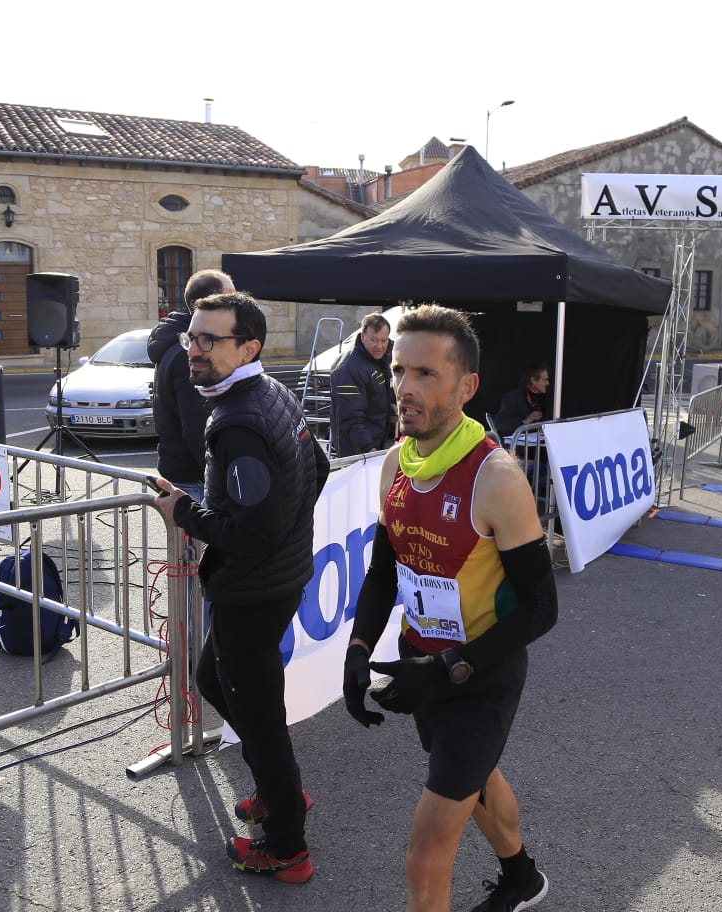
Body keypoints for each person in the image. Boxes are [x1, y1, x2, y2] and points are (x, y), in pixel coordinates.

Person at [342, 304, 558, 912]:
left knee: (427, 851)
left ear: (467, 387)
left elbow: (540, 609)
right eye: (399, 371)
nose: (405, 389)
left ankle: (519, 878)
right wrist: (358, 653)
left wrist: (448, 669)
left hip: (479, 674)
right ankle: (522, 879)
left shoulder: (496, 477)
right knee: (478, 781)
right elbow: (387, 572)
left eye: (426, 375)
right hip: (422, 664)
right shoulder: (396, 464)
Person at [152, 292, 330, 884]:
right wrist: (285, 530)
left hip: (253, 590)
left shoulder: (239, 421)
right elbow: (319, 468)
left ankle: (287, 846)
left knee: (262, 721)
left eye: (210, 341)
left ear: (248, 347)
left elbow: (248, 534)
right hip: (270, 580)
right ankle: (282, 795)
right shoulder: (268, 390)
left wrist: (182, 512)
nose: (194, 351)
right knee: (211, 681)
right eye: (191, 338)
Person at [147, 269, 235, 501]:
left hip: (188, 476)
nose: (238, 305)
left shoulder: (186, 343)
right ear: (210, 304)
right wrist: (219, 478)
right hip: (195, 480)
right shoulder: (190, 353)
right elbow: (198, 428)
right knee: (196, 538)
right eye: (231, 298)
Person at [330, 312, 394, 457]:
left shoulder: (379, 357)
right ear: (362, 337)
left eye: (384, 340)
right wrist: (369, 449)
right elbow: (350, 417)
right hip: (357, 451)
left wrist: (391, 408)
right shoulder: (348, 368)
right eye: (373, 340)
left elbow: (375, 393)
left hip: (376, 442)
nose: (379, 346)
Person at [492, 362, 551, 439]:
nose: (548, 383)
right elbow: (499, 424)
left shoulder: (550, 395)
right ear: (533, 380)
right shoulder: (515, 397)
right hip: (520, 448)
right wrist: (524, 421)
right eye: (545, 380)